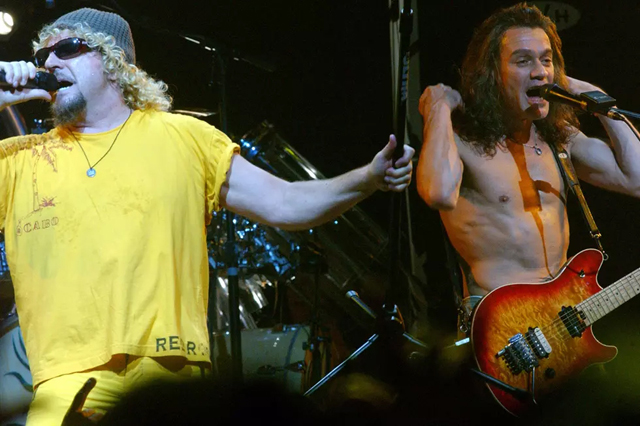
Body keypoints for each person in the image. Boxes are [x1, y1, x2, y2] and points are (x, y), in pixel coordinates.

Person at [0, 7, 415, 426]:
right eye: (41, 57)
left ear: (114, 60)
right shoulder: (19, 160)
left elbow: (286, 203)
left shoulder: (185, 138)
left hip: (172, 376)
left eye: (66, 48)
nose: (48, 63)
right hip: (66, 383)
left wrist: (368, 178)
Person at [417, 3, 640, 323]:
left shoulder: (560, 139)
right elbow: (437, 192)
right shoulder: (461, 142)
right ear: (491, 73)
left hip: (564, 328)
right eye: (524, 61)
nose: (540, 71)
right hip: (502, 335)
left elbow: (637, 179)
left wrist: (590, 93)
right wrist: (438, 109)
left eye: (546, 60)